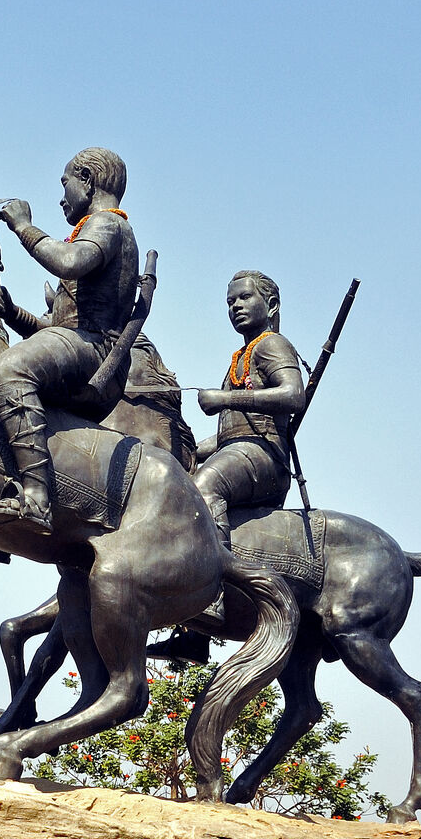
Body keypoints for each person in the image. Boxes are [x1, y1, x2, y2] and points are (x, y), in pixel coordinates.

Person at [0, 148, 141, 531]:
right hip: (79, 344)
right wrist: (13, 312)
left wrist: (23, 227)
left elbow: (68, 262)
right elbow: (55, 329)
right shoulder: (97, 228)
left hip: (94, 351)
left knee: (8, 371)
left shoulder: (107, 224)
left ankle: (36, 500)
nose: (62, 194)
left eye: (66, 182)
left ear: (86, 179)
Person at [154, 272, 307, 665]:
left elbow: (294, 395)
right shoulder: (243, 355)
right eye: (229, 302)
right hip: (242, 450)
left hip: (265, 459)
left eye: (243, 298)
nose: (235, 306)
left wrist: (223, 399)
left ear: (271, 305)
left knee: (205, 487)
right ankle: (190, 633)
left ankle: (215, 593)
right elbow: (229, 437)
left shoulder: (272, 345)